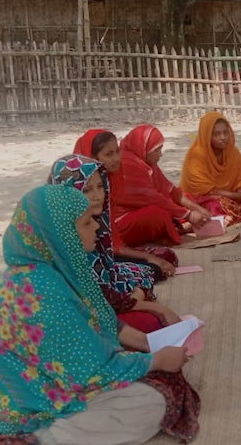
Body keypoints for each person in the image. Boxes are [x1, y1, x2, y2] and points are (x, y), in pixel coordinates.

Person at [0, 185, 200, 445]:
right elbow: (90, 372)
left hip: (40, 385)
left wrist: (151, 347)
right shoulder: (41, 289)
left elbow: (103, 324)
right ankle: (48, 440)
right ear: (61, 233)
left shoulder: (50, 269)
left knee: (156, 379)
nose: (97, 227)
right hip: (31, 406)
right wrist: (155, 360)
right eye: (86, 222)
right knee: (150, 403)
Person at [49, 154, 181, 333]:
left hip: (107, 288)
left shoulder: (97, 220)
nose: (97, 196)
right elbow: (97, 302)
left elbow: (106, 271)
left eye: (100, 187)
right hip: (86, 318)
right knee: (150, 322)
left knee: (148, 269)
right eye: (87, 190)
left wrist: (136, 298)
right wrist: (147, 305)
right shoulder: (65, 235)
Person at [74, 128, 190, 279]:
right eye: (109, 154)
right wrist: (148, 258)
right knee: (149, 271)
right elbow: (109, 246)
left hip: (105, 252)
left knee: (164, 260)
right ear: (92, 157)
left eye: (117, 151)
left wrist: (147, 257)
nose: (116, 158)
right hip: (85, 260)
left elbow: (111, 241)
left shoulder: (109, 181)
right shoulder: (79, 187)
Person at [113, 124, 223, 247]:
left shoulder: (146, 162)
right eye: (156, 150)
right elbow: (154, 200)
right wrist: (188, 215)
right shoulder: (130, 165)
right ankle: (178, 229)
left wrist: (196, 208)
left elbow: (172, 191)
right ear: (143, 148)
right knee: (158, 214)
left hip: (147, 207)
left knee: (185, 198)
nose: (160, 154)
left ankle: (181, 225)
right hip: (123, 222)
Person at [180, 112, 241, 221]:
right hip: (204, 198)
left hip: (233, 194)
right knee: (217, 207)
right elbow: (206, 190)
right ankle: (239, 213)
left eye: (225, 133)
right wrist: (239, 197)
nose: (223, 138)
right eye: (216, 134)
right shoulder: (196, 155)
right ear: (206, 136)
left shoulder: (232, 151)